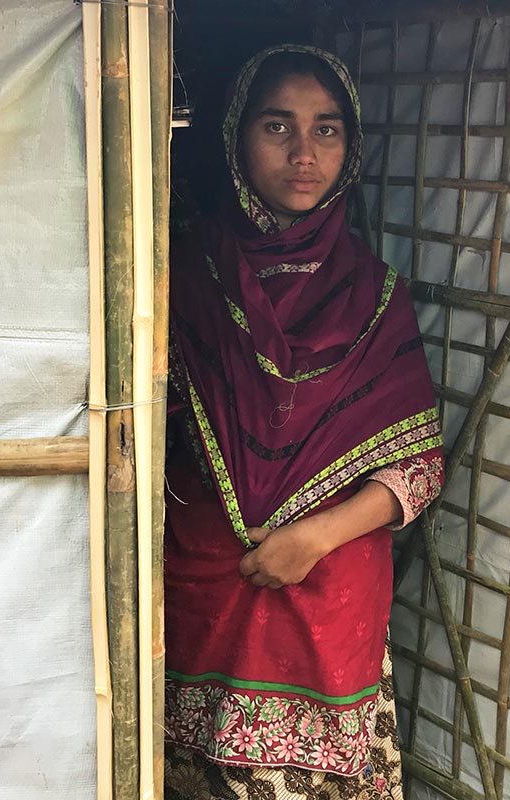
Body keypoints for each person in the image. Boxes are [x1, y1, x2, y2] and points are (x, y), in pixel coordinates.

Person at [164, 44, 444, 800]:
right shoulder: (178, 276)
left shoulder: (375, 297)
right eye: (277, 125)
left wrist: (312, 538)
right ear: (235, 139)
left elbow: (416, 467)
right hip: (209, 583)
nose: (302, 153)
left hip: (327, 589)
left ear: (351, 150)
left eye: (326, 130)